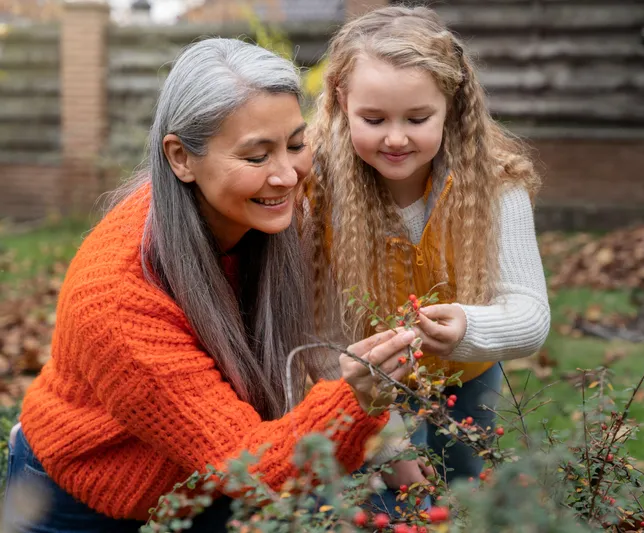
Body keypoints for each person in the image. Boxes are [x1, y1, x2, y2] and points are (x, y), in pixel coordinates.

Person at [2, 38, 416, 533]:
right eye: (257, 156)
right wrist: (356, 401)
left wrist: (397, 460)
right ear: (181, 158)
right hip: (81, 501)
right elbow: (252, 468)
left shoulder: (269, 218)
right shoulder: (118, 299)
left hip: (201, 479)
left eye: (296, 145)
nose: (287, 174)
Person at [305, 6, 551, 486]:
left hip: (468, 377)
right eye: (373, 119)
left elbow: (530, 316)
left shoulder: (497, 185)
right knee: (384, 501)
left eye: (418, 118)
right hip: (362, 384)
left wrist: (468, 327)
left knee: (459, 493)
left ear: (451, 106)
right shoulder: (316, 191)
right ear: (341, 100)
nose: (395, 138)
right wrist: (387, 435)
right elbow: (317, 330)